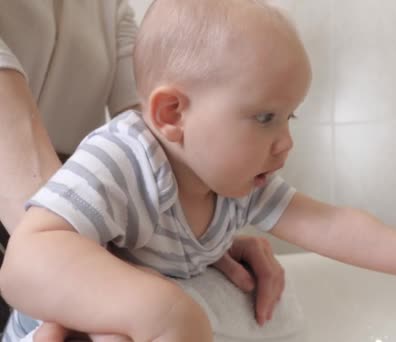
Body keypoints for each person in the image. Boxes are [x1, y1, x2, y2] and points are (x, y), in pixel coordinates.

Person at [0, 0, 396, 341]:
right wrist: (157, 308)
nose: (286, 141)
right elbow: (26, 258)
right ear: (172, 116)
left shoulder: (235, 183)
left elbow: (333, 225)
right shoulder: (122, 160)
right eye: (265, 118)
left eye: (288, 117)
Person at [0, 0, 287, 338]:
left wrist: (195, 232)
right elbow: (35, 206)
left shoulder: (109, 7)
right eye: (266, 117)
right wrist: (105, 284)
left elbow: (169, 140)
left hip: (82, 222)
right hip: (45, 229)